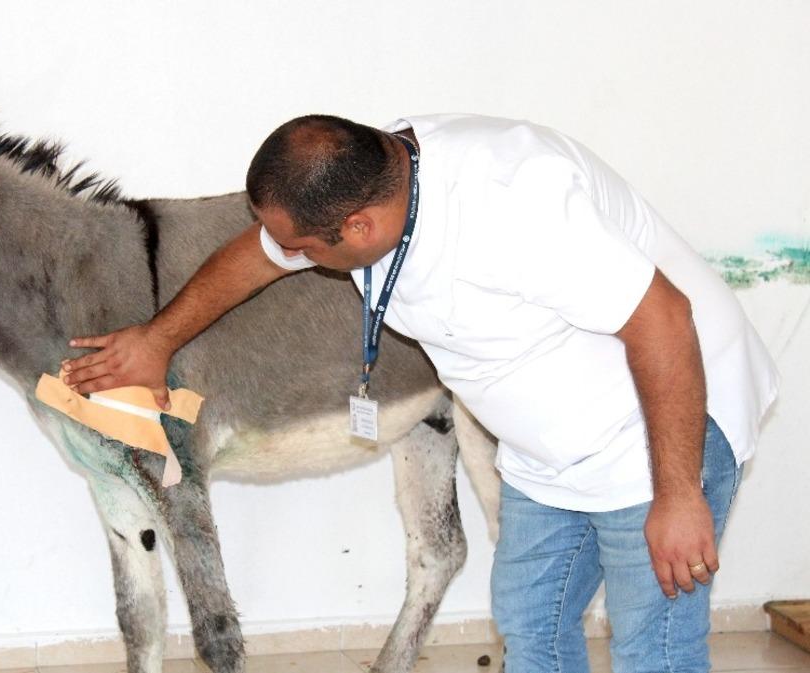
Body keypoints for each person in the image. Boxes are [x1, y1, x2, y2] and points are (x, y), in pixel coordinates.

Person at [61, 113, 778, 672]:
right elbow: (257, 256)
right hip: (547, 450)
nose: (291, 258)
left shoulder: (517, 203)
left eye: (308, 250)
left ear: (359, 228)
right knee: (533, 626)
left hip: (658, 432)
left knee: (650, 650)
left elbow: (666, 321)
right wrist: (156, 339)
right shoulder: (366, 181)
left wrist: (680, 494)